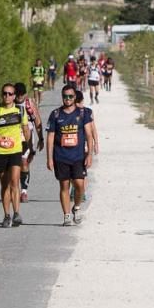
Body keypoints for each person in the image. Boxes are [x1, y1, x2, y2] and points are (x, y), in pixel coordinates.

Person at [0, 83, 30, 228]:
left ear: (15, 96)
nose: (7, 96)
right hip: (0, 152)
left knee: (15, 181)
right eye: (5, 93)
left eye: (10, 94)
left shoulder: (20, 111)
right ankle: (6, 215)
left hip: (15, 150)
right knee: (5, 184)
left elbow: (26, 129)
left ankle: (16, 214)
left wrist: (27, 144)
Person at [46, 85, 94, 226]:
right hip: (61, 156)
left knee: (79, 185)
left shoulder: (82, 113)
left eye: (70, 96)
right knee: (64, 186)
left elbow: (89, 134)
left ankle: (77, 208)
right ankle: (66, 215)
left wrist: (89, 154)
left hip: (78, 156)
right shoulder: (55, 114)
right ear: (62, 97)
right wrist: (49, 159)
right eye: (65, 96)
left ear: (75, 98)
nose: (67, 99)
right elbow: (50, 136)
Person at [14, 82, 44, 203]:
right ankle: (15, 189)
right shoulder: (10, 103)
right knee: (16, 165)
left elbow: (37, 121)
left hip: (27, 137)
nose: (19, 97)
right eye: (17, 95)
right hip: (13, 137)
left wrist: (41, 138)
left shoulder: (29, 103)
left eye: (22, 95)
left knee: (24, 163)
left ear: (25, 94)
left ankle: (23, 191)